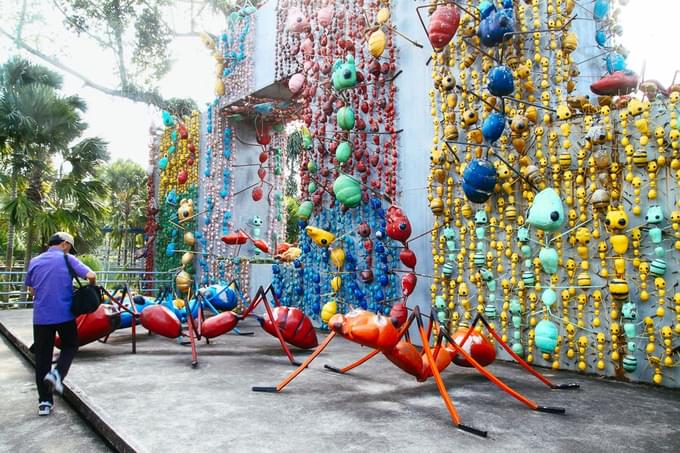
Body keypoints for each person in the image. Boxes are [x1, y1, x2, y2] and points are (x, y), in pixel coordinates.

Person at [24, 232, 96, 416]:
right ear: (64, 244)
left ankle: (44, 403)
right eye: (70, 247)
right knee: (71, 345)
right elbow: (90, 274)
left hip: (41, 318)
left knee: (42, 358)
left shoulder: (35, 261)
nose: (70, 250)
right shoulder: (67, 259)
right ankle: (57, 374)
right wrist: (92, 286)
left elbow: (32, 290)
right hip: (64, 315)